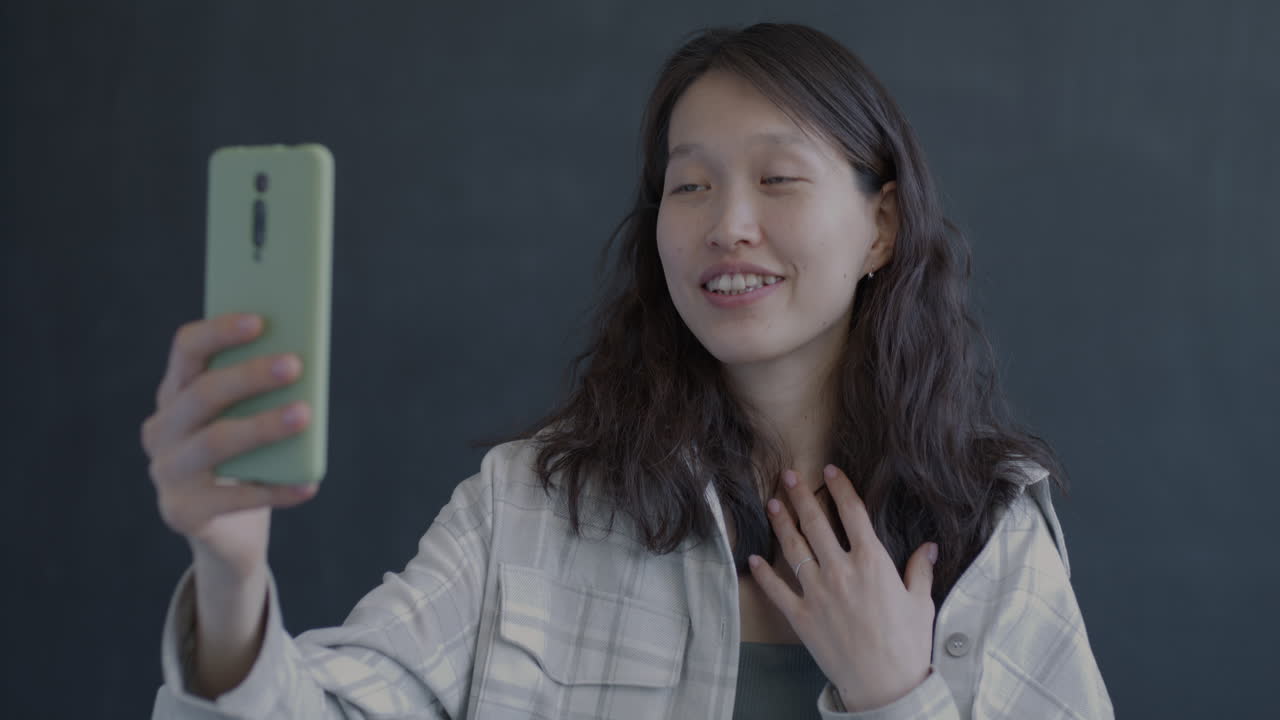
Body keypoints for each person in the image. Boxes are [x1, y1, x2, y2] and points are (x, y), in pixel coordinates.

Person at [144, 22, 1113, 720]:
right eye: (689, 185)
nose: (727, 223)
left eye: (777, 178)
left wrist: (896, 696)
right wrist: (230, 577)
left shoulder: (988, 532)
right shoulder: (530, 504)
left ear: (881, 226)